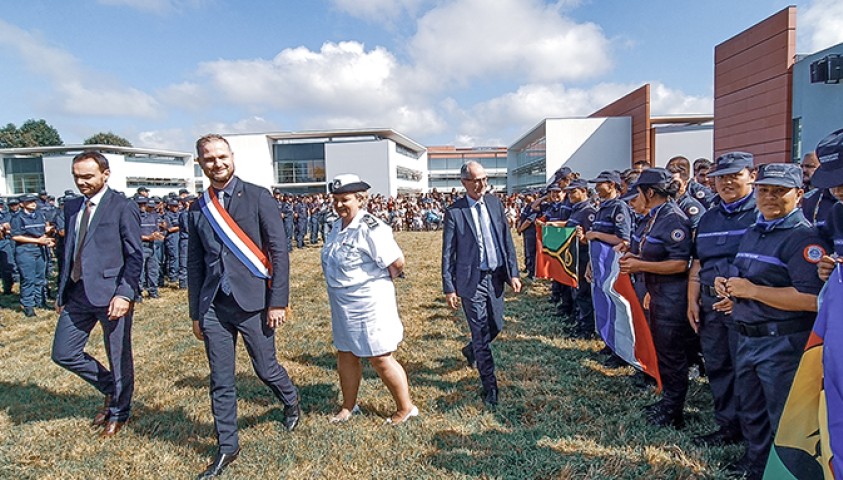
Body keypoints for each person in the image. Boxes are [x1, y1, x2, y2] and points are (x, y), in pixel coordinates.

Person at [188, 134, 299, 479]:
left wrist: (277, 301)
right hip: (214, 306)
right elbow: (194, 263)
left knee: (265, 369)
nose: (217, 164)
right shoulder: (198, 207)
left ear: (232, 157)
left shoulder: (257, 197)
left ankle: (291, 400)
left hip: (254, 302)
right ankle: (227, 447)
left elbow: (279, 252)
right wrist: (195, 312)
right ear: (200, 163)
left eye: (222, 156)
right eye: (209, 159)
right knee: (221, 379)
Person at [715, 163, 829, 479]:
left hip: (782, 343)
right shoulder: (755, 231)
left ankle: (786, 472)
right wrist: (731, 290)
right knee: (751, 410)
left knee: (784, 417)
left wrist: (753, 290)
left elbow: (812, 301)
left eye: (780, 191)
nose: (770, 198)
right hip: (747, 336)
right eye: (764, 190)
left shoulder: (805, 239)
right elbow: (748, 278)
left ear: (800, 194)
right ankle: (756, 466)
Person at [50, 151, 143, 438]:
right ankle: (109, 387)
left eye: (88, 176)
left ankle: (119, 411)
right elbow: (69, 252)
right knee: (63, 352)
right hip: (78, 294)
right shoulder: (72, 206)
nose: (81, 182)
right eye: (77, 177)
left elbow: (135, 256)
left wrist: (124, 294)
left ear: (105, 174)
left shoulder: (122, 206)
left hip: (112, 294)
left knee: (118, 355)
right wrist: (62, 292)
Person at [321, 174, 416, 424]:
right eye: (336, 199)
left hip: (369, 303)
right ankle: (348, 407)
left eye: (346, 200)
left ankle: (405, 408)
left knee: (380, 357)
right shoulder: (335, 226)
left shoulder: (371, 227)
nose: (340, 204)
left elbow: (397, 263)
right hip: (342, 303)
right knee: (346, 353)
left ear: (360, 199)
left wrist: (376, 285)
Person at [687, 152, 756, 447]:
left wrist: (741, 296)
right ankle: (727, 426)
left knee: (747, 372)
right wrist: (692, 300)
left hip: (748, 308)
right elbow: (698, 264)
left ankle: (752, 434)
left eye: (734, 175)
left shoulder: (761, 213)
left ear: (751, 175)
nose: (727, 182)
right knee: (718, 366)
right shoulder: (709, 216)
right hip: (710, 304)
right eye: (721, 177)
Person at [618, 168, 694, 429]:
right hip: (658, 292)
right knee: (662, 351)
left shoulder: (672, 219)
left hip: (673, 297)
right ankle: (667, 400)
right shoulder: (655, 217)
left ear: (649, 192)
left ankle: (674, 411)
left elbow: (679, 264)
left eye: (638, 193)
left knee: (672, 354)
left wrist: (641, 266)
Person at [442, 161, 521, 407]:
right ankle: (490, 386)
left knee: (496, 324)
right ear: (464, 182)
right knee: (481, 333)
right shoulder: (455, 212)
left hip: (495, 277)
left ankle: (470, 350)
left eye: (484, 179)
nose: (481, 185)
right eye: (475, 180)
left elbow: (506, 241)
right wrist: (449, 286)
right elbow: (448, 252)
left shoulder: (495, 204)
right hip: (470, 281)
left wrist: (514, 273)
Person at [11, 194, 54, 316]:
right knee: (28, 279)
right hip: (26, 250)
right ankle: (28, 305)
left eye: (34, 201)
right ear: (22, 204)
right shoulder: (18, 218)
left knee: (41, 277)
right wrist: (37, 241)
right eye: (29, 202)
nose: (33, 203)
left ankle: (40, 301)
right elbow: (16, 236)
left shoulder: (39, 215)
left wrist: (46, 239)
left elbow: (42, 231)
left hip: (40, 249)